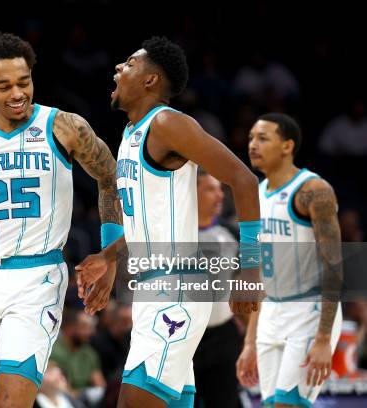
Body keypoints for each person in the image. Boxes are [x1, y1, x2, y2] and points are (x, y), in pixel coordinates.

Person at [76, 36, 261, 408]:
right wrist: (109, 257)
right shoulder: (131, 135)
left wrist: (251, 266)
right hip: (152, 287)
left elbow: (244, 179)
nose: (118, 68)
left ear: (150, 80)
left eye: (128, 63)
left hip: (176, 288)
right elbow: (149, 224)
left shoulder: (167, 123)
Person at [0, 32, 121, 408]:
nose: (17, 93)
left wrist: (111, 254)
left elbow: (110, 178)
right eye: (4, 86)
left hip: (36, 277)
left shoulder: (65, 126)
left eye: (24, 82)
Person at [237, 113, 343, 407]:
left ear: (287, 146)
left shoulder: (313, 191)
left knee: (288, 404)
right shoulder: (255, 195)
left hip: (308, 311)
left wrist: (323, 339)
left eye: (262, 138)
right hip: (271, 311)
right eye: (250, 138)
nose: (252, 145)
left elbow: (335, 265)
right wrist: (249, 342)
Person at [193, 169, 242, 408]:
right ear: (192, 193)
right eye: (211, 189)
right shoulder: (171, 234)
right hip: (183, 336)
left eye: (221, 189)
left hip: (224, 336)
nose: (220, 195)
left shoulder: (231, 234)